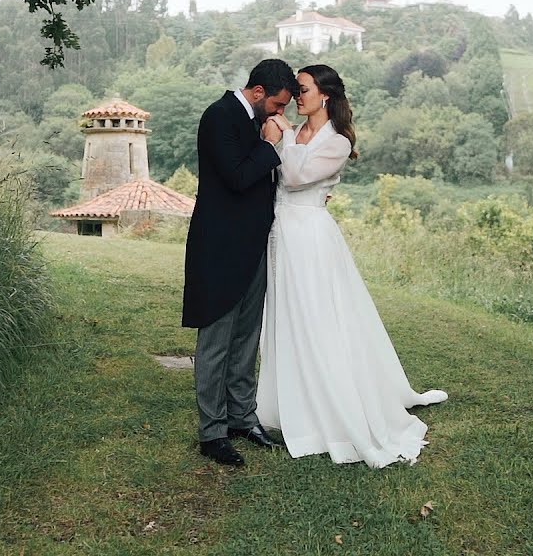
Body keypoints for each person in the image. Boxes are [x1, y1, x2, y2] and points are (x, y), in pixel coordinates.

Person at [256, 64, 447, 468]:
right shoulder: (292, 131)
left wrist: (283, 136)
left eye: (303, 88)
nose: (296, 95)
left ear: (324, 94)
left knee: (319, 318)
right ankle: (290, 400)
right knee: (286, 318)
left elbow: (292, 176)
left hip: (309, 237)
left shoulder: (337, 142)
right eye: (294, 89)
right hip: (280, 232)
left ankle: (334, 403)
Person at [182, 58, 299, 467]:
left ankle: (242, 418)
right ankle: (212, 432)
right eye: (279, 105)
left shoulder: (254, 117)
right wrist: (268, 145)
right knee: (216, 341)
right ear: (258, 93)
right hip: (219, 247)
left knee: (247, 338)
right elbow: (236, 177)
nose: (281, 113)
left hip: (253, 247)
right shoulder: (220, 116)